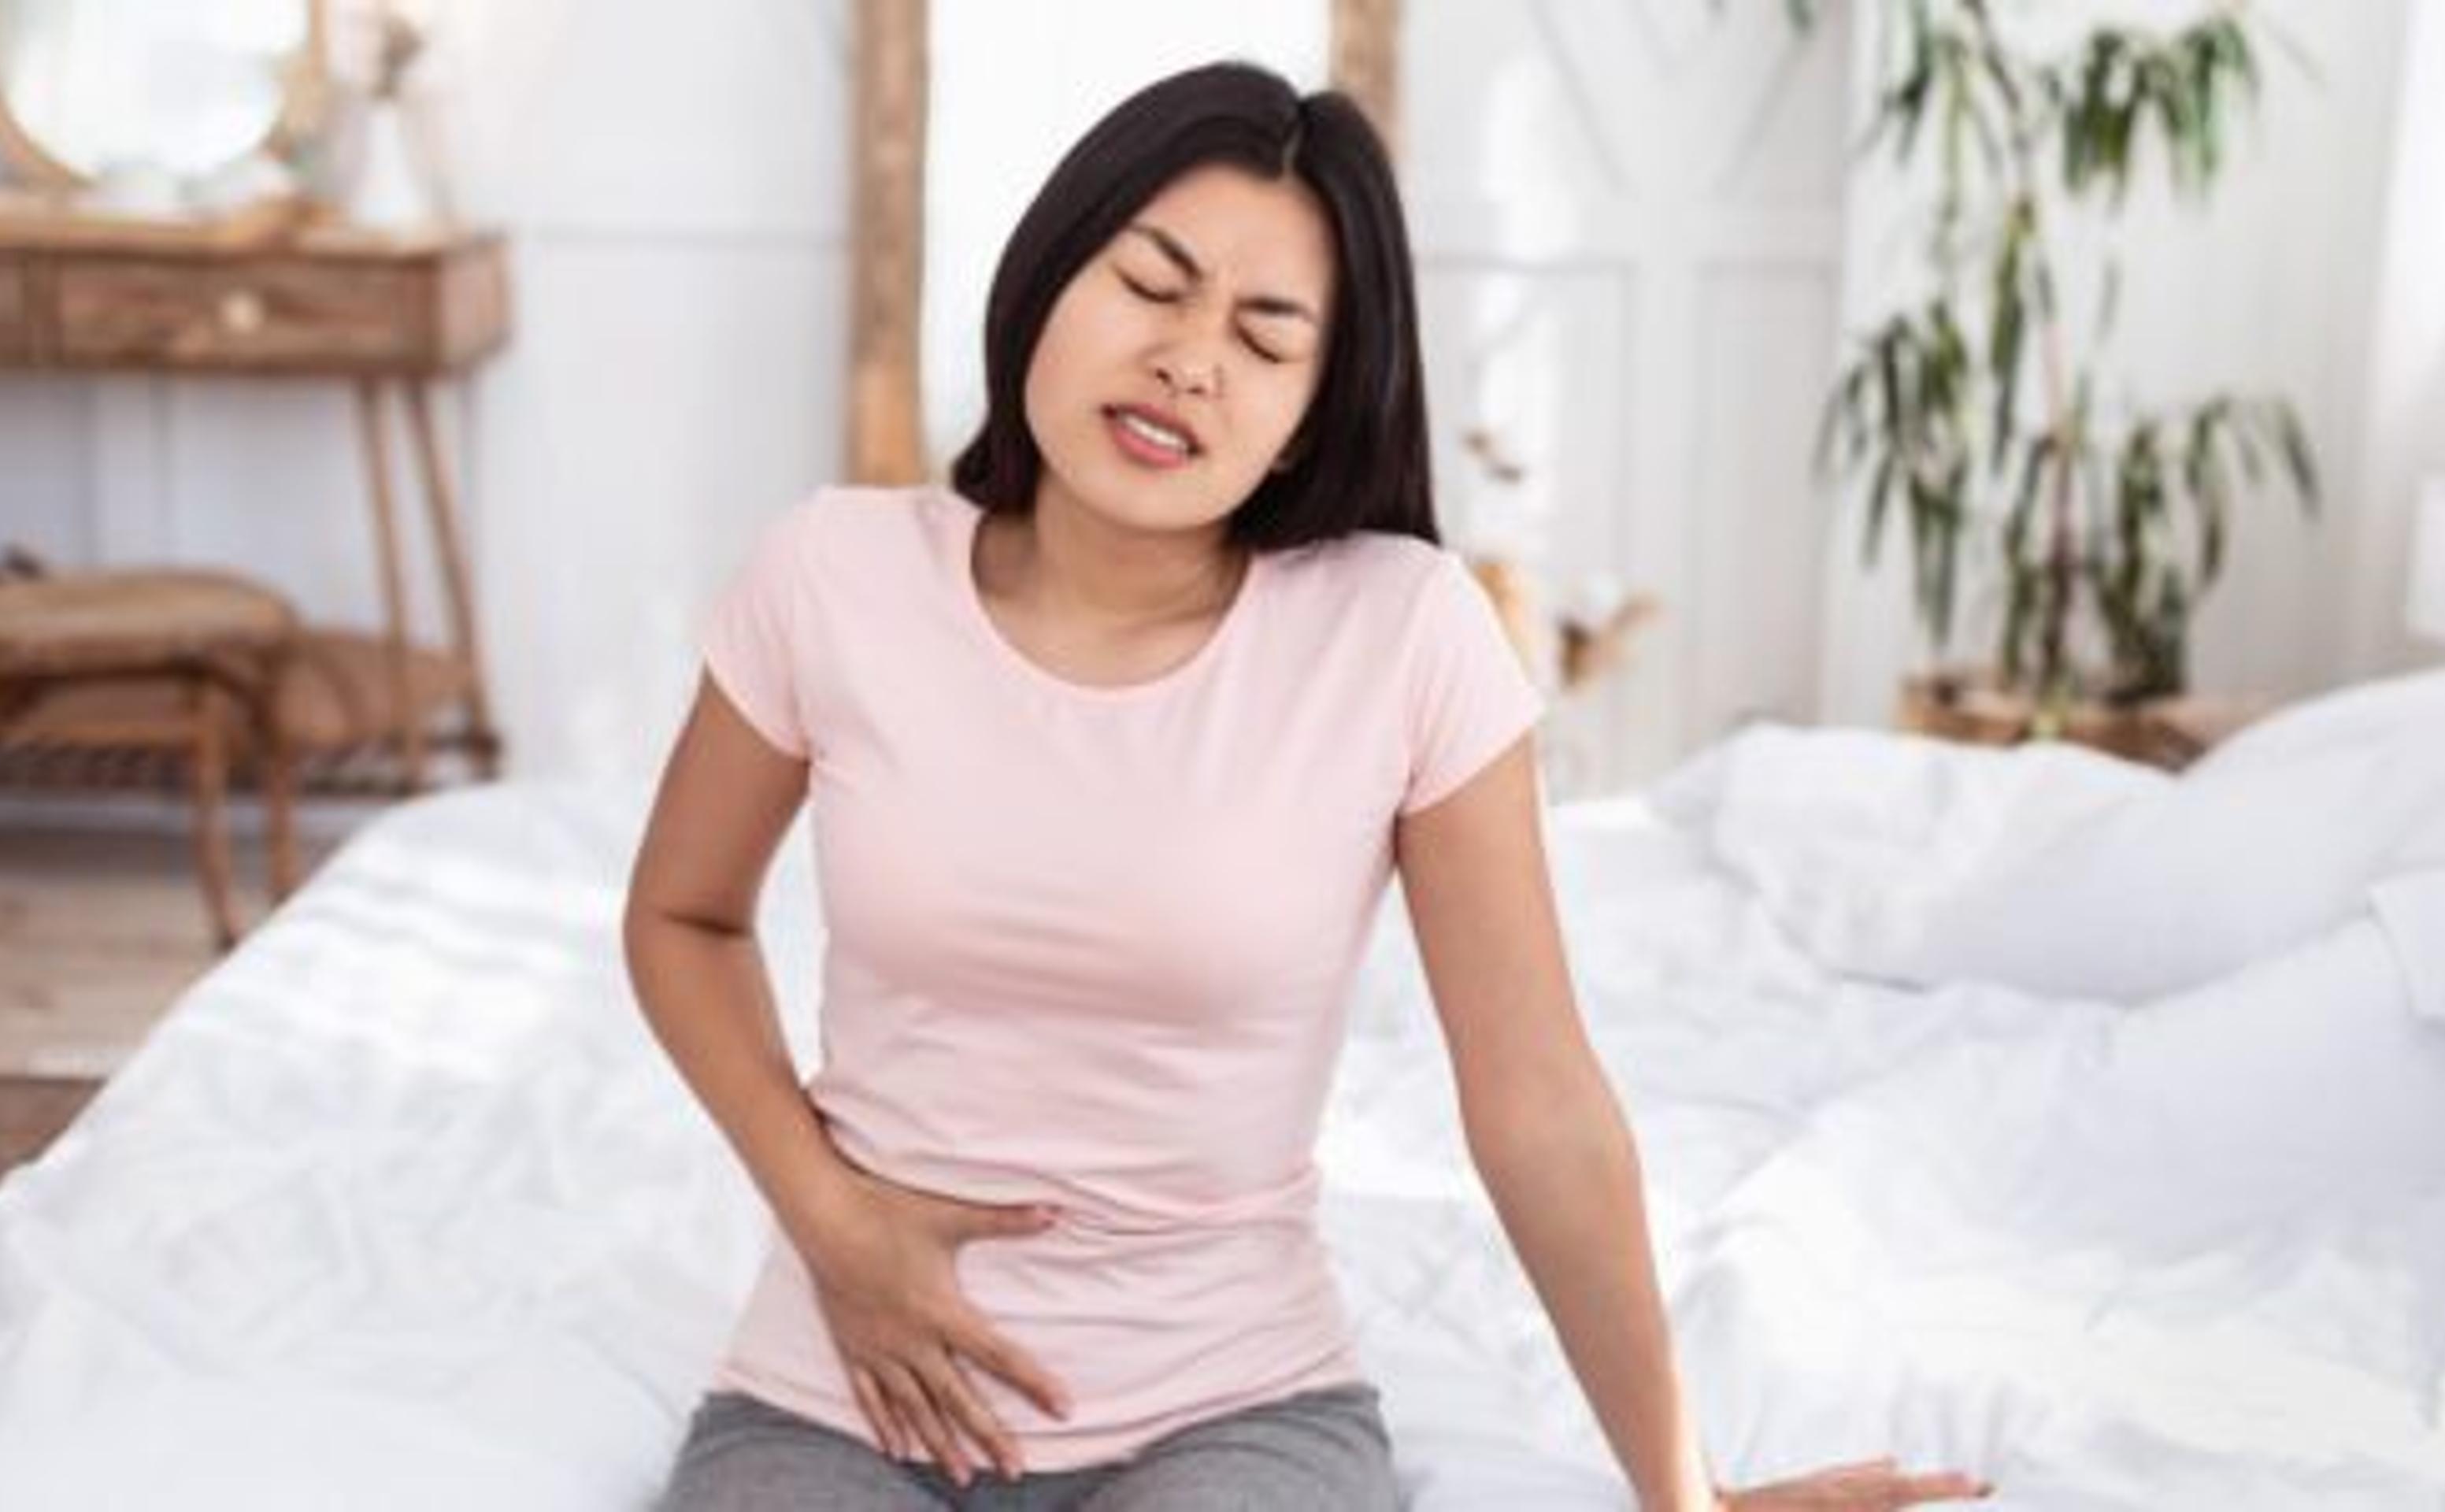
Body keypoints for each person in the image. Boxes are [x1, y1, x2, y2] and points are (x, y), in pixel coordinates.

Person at [625, 59, 1992, 1511]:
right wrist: (830, 1219)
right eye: (1151, 283)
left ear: (1314, 410)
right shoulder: (833, 574)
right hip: (832, 1401)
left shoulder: (1400, 632)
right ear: (1046, 277)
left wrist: (1683, 1494)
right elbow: (684, 918)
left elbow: (1536, 1101)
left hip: (1229, 1416)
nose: (1188, 360)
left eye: (1265, 337)